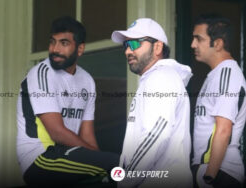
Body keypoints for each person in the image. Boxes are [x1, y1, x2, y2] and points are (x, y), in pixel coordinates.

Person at [16, 16, 119, 186]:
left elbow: (87, 135)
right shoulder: (42, 73)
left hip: (70, 155)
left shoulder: (86, 80)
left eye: (63, 43)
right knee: (116, 166)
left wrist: (97, 157)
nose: (55, 49)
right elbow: (56, 132)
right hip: (40, 158)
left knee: (113, 171)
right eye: (52, 42)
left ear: (80, 49)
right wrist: (99, 158)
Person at [111, 18, 193, 187]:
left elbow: (155, 135)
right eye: (125, 45)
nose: (127, 51)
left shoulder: (161, 78)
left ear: (157, 47)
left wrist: (126, 181)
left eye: (134, 44)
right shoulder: (154, 79)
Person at [191, 14, 246, 188]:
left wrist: (209, 176)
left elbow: (223, 129)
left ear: (218, 43)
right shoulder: (217, 74)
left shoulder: (227, 74)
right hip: (210, 170)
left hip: (219, 173)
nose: (193, 45)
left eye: (198, 39)